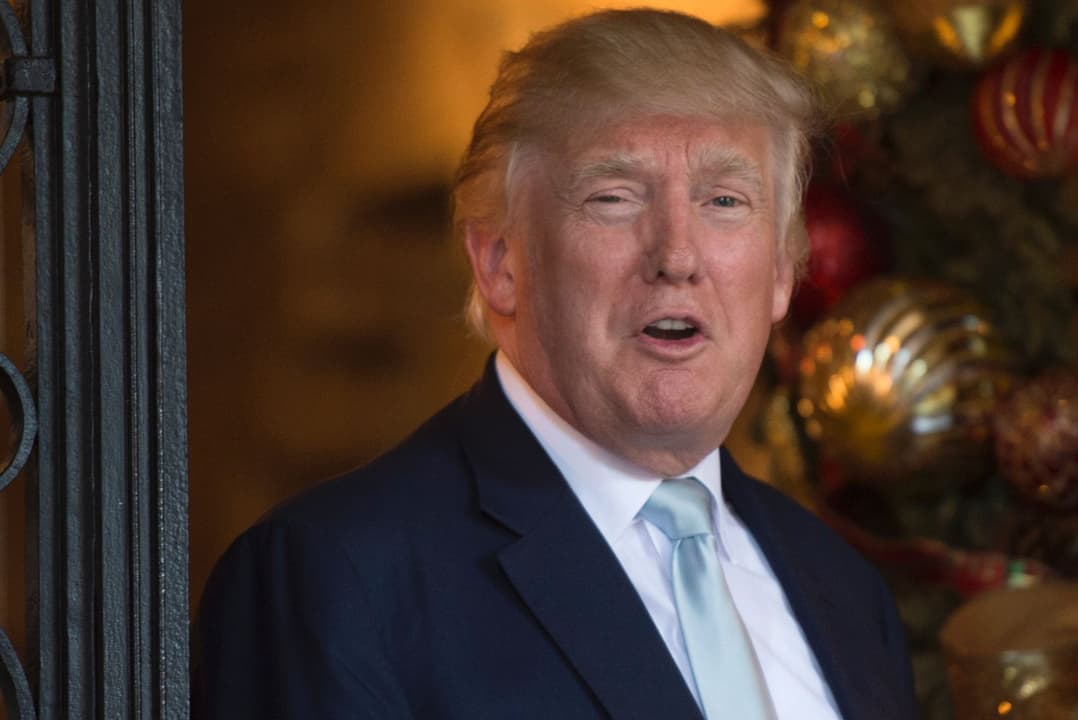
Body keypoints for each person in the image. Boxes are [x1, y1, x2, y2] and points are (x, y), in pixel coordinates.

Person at [195, 8, 918, 720]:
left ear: (784, 273)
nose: (676, 255)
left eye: (725, 200)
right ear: (500, 263)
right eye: (614, 198)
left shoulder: (844, 591)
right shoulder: (334, 577)